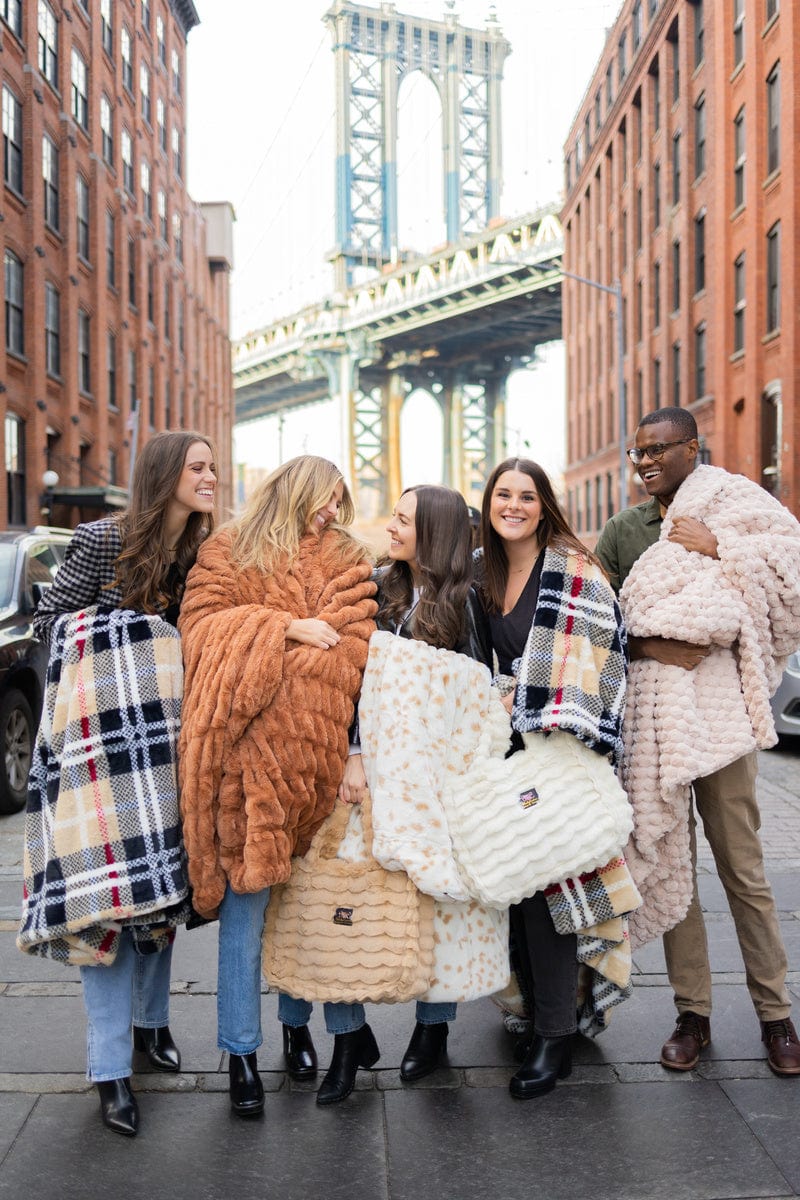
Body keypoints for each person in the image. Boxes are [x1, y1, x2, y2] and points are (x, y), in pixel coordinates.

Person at [21, 431, 217, 1137]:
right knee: (101, 903)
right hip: (99, 752)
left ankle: (151, 1026)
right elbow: (52, 625)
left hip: (168, 750)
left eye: (213, 466)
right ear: (166, 475)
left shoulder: (202, 551)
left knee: (159, 897)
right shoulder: (106, 539)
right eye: (198, 467)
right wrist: (130, 636)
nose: (211, 476)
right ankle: (109, 1070)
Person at [595, 406, 800, 1077]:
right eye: (638, 453)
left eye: (659, 449)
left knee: (744, 870)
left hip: (721, 720)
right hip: (653, 722)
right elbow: (607, 619)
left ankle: (776, 1018)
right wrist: (654, 640)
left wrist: (720, 550)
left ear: (693, 449)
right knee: (672, 860)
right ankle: (693, 1015)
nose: (647, 461)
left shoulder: (732, 507)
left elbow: (780, 579)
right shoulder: (625, 530)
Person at [177, 455, 377, 1118]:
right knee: (243, 915)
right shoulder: (227, 547)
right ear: (295, 490)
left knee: (315, 914)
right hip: (243, 765)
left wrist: (295, 683)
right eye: (324, 500)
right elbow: (199, 632)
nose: (330, 513)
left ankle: (310, 1032)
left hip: (316, 765)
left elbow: (352, 647)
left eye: (339, 503)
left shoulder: (348, 555)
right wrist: (282, 627)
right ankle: (239, 1056)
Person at [314, 483, 485, 1105]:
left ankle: (433, 1032)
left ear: (433, 532)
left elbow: (477, 694)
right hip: (365, 774)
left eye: (404, 519)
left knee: (436, 905)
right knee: (344, 908)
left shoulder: (467, 601)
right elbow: (347, 677)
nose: (390, 525)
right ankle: (347, 1040)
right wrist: (353, 752)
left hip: (437, 783)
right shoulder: (373, 585)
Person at [472, 456, 627, 1099]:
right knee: (506, 890)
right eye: (502, 495)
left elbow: (599, 653)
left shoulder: (574, 568)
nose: (513, 506)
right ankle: (534, 1012)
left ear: (544, 506)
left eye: (526, 496)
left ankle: (555, 1036)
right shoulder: (480, 574)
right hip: (497, 753)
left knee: (549, 892)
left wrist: (530, 701)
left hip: (560, 750)